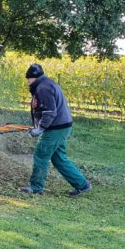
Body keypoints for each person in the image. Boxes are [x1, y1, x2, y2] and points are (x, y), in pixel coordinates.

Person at [19, 63, 92, 197]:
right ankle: (82, 185)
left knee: (41, 155)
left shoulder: (43, 88)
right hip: (62, 126)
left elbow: (49, 112)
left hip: (55, 128)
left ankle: (35, 188)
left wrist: (39, 129)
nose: (27, 82)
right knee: (59, 158)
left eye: (28, 79)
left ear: (33, 77)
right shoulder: (47, 84)